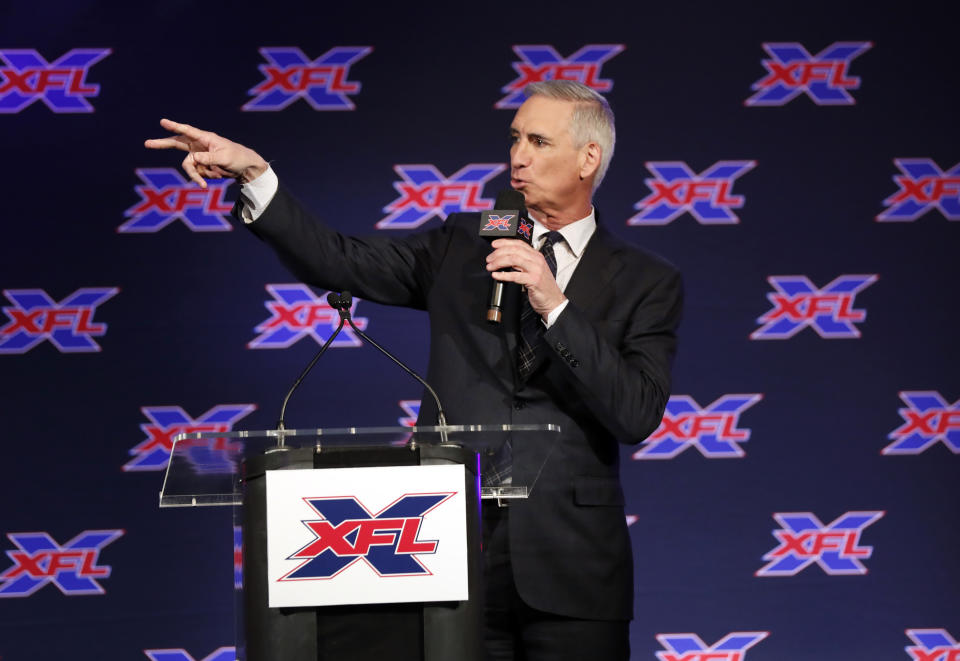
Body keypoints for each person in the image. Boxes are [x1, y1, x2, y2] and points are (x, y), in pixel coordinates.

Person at [146, 80, 683, 660]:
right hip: (450, 558)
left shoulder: (646, 281)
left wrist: (554, 305)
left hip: (573, 570)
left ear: (588, 158)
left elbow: (635, 412)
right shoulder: (462, 243)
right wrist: (256, 176)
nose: (518, 157)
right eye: (514, 139)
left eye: (538, 141)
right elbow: (340, 260)